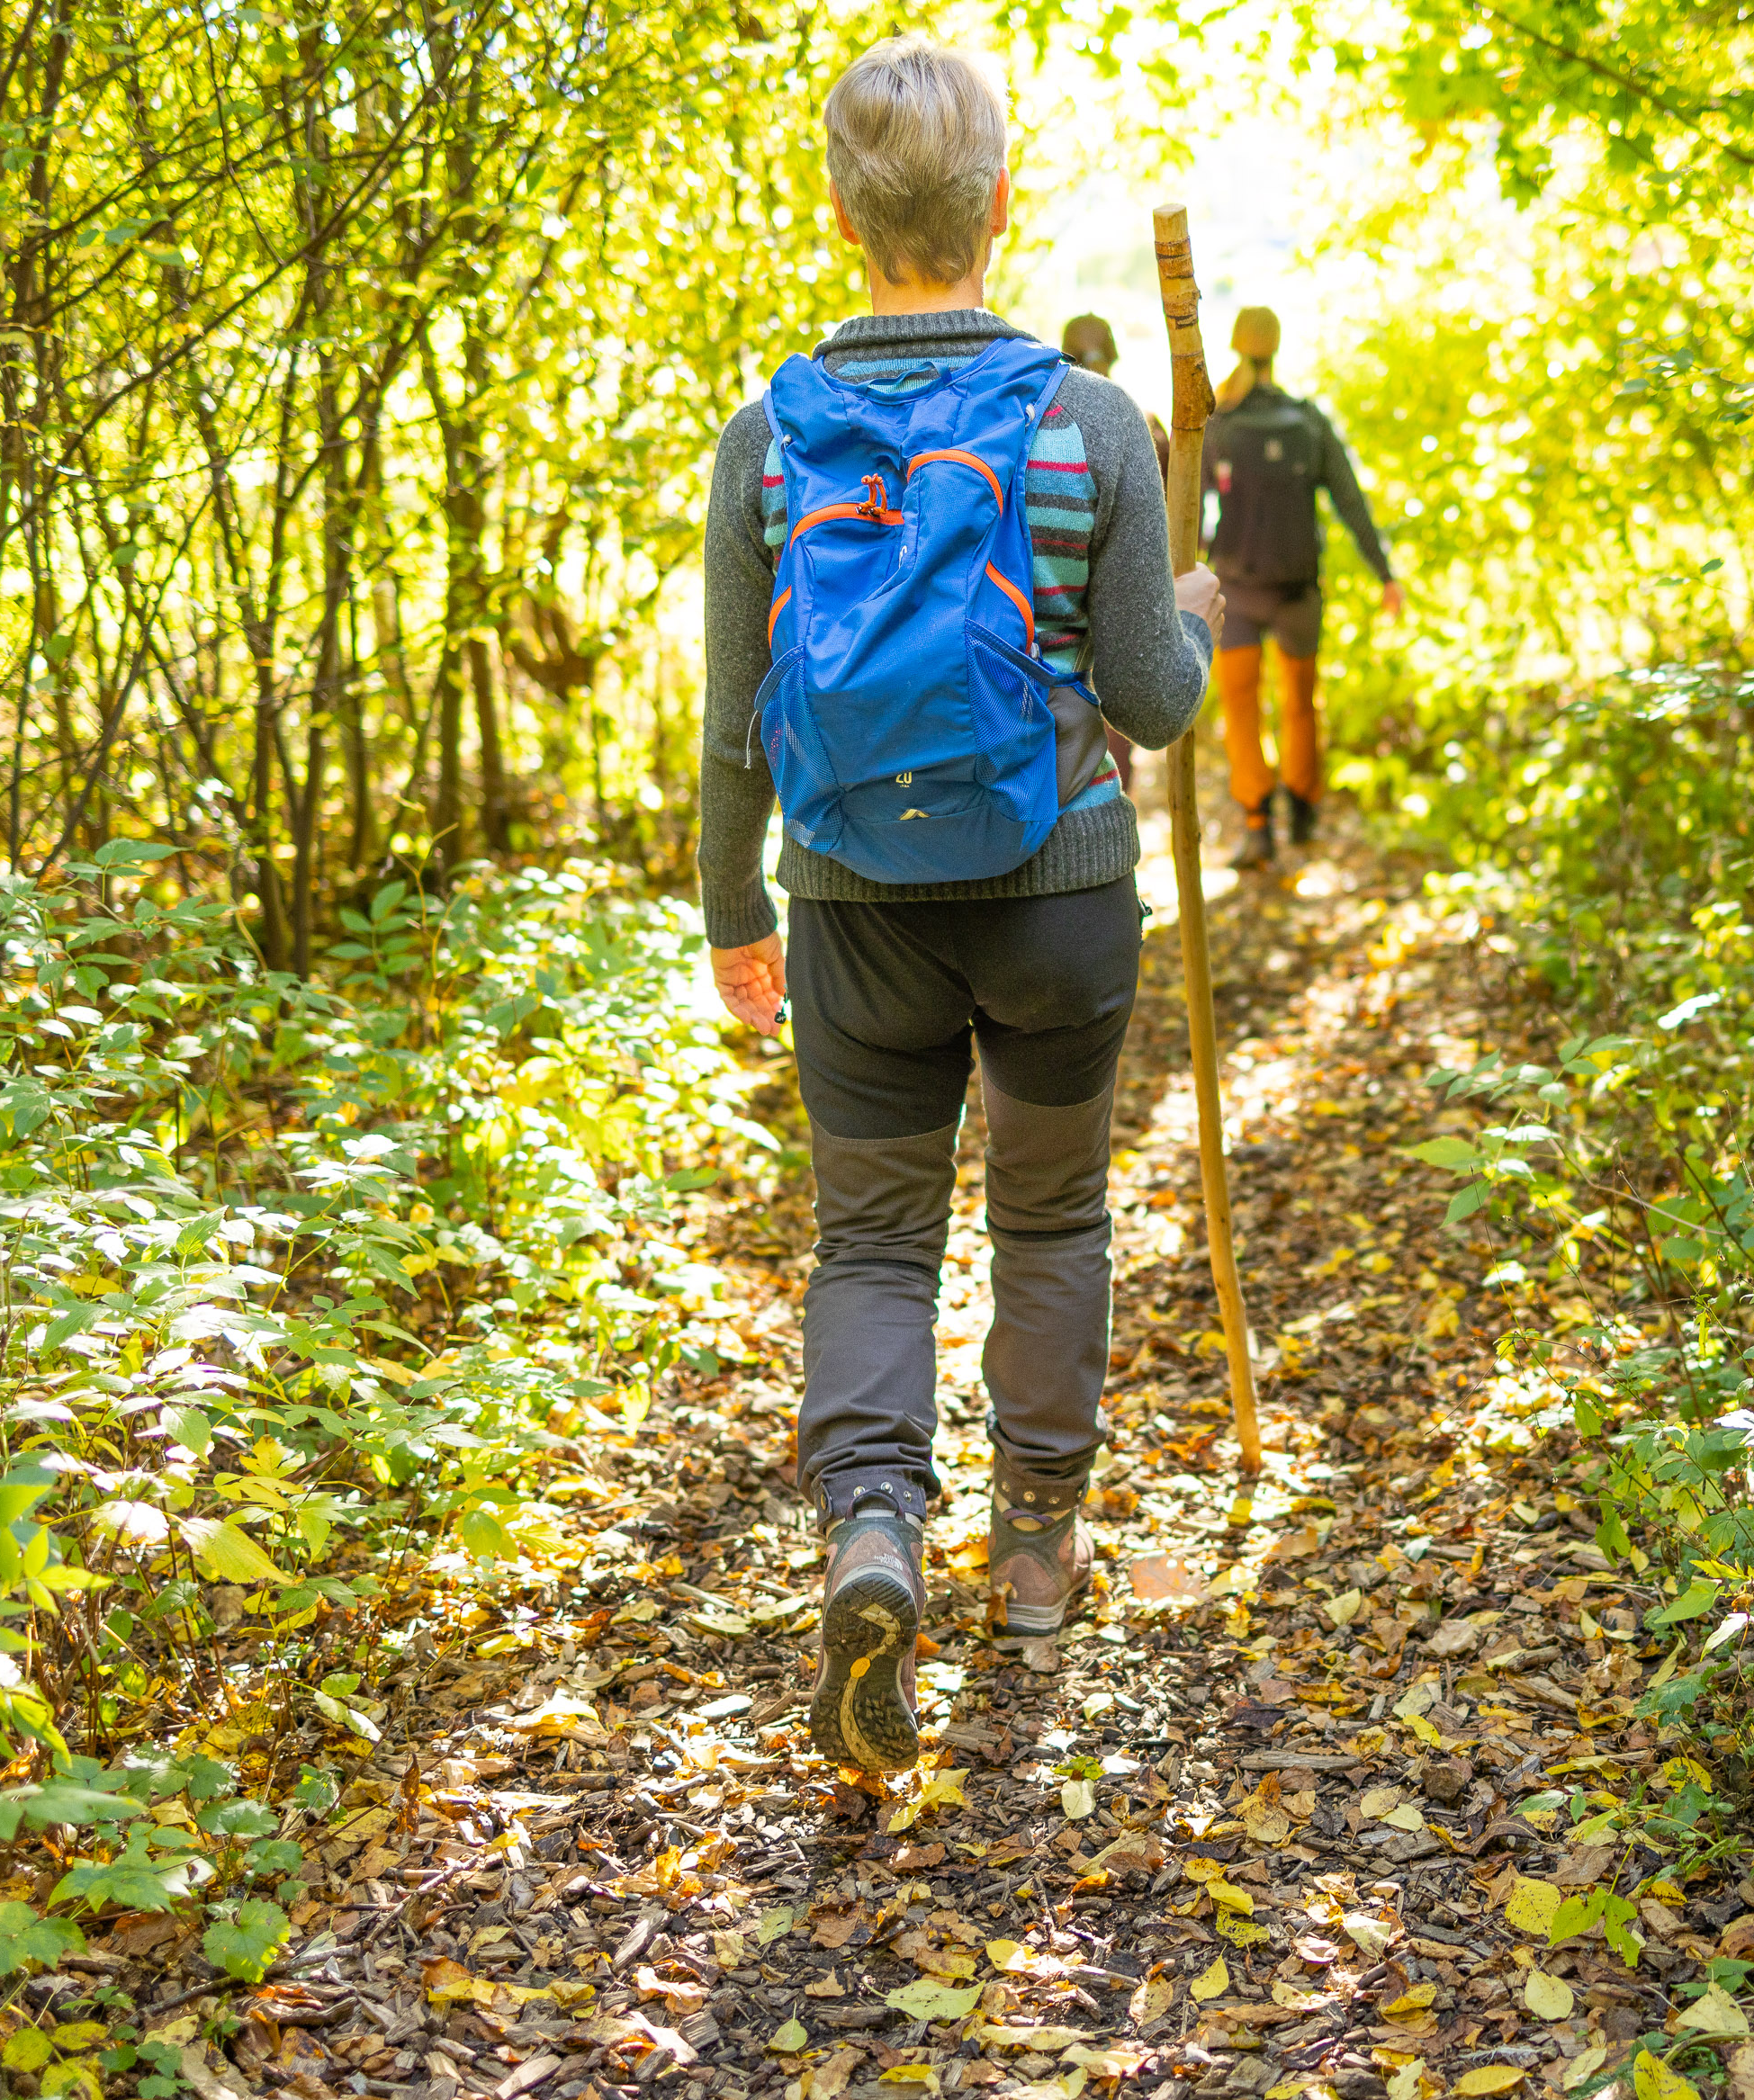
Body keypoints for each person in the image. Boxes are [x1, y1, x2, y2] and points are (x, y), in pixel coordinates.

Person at [697, 40, 1221, 1772]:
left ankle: (872, 1534)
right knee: (1051, 1215)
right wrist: (1195, 609)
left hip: (856, 904)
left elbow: (734, 718)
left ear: (843, 213)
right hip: (1060, 895)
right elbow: (1151, 700)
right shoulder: (1088, 422)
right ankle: (1039, 1549)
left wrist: (732, 909)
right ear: (1002, 202)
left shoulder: (769, 441)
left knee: (871, 1238)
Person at [1203, 307, 1404, 866]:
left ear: (1236, 346)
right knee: (1299, 705)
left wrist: (1185, 573)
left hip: (1237, 591)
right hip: (1298, 591)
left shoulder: (1219, 424)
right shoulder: (1309, 422)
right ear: (1276, 348)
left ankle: (1256, 823)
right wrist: (1385, 573)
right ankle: (1302, 810)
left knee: (1242, 707)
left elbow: (1190, 510)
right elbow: (1350, 500)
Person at [1058, 314, 1174, 794]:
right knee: (1123, 709)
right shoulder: (1143, 426)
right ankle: (1118, 794)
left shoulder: (1036, 426)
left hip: (1057, 615)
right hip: (1129, 596)